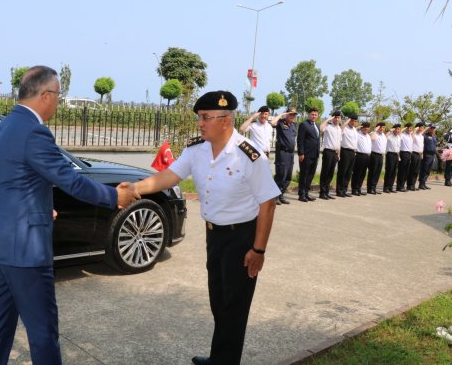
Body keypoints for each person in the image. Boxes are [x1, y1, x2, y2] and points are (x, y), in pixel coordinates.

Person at [0, 66, 139, 365]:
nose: (59, 102)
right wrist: (115, 196)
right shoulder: (34, 132)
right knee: (43, 330)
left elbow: (9, 182)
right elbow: (70, 180)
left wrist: (38, 204)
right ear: (46, 95)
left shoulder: (3, 126)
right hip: (24, 247)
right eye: (59, 95)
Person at [133, 90, 279, 365]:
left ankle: (224, 361)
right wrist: (134, 188)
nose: (200, 123)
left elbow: (268, 203)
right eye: (199, 117)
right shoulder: (196, 150)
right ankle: (220, 357)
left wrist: (258, 249)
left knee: (234, 308)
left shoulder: (249, 155)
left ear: (225, 120)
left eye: (205, 118)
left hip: (243, 238)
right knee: (219, 302)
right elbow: (168, 176)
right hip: (214, 235)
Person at [271, 107, 298, 204]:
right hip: (282, 153)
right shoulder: (281, 122)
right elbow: (273, 123)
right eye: (290, 114)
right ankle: (274, 197)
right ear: (286, 114)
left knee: (288, 176)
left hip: (290, 153)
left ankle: (281, 194)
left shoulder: (293, 125)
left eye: (294, 115)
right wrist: (281, 115)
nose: (292, 116)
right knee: (281, 175)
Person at [296, 107, 320, 202]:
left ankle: (306, 192)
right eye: (312, 114)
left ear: (318, 116)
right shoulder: (304, 125)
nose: (314, 116)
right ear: (308, 115)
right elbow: (300, 140)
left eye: (315, 115)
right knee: (304, 174)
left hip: (315, 155)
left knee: (311, 174)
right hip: (306, 155)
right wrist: (301, 153)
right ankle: (301, 194)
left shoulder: (317, 126)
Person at [318, 110, 342, 200]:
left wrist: (339, 154)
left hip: (335, 153)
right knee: (325, 172)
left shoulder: (339, 128)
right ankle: (322, 192)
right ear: (333, 118)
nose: (337, 119)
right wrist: (328, 119)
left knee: (331, 173)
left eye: (338, 117)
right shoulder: (328, 126)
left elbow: (339, 142)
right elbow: (320, 128)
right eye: (335, 117)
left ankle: (327, 192)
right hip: (328, 151)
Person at [336, 114, 358, 197]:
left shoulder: (355, 130)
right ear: (349, 120)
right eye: (352, 121)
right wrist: (347, 121)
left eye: (355, 121)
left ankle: (344, 190)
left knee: (349, 172)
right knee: (342, 171)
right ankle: (339, 190)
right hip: (345, 151)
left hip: (353, 152)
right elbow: (340, 128)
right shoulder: (345, 128)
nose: (354, 122)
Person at [350, 122, 372, 196]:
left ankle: (359, 188)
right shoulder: (357, 134)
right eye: (364, 127)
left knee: (363, 173)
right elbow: (352, 131)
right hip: (359, 155)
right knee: (357, 173)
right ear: (361, 127)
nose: (366, 128)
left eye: (367, 127)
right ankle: (354, 189)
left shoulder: (368, 136)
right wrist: (358, 127)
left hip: (367, 156)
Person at [366, 122, 386, 194]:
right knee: (373, 172)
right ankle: (370, 188)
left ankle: (374, 187)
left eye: (384, 127)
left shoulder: (383, 135)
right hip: (374, 155)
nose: (382, 129)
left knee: (378, 172)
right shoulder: (373, 133)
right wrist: (375, 130)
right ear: (378, 127)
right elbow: (372, 138)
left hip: (381, 156)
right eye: (381, 127)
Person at [383, 123, 402, 193]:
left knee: (394, 171)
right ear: (394, 129)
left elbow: (398, 147)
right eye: (396, 129)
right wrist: (390, 130)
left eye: (399, 129)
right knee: (389, 171)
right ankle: (386, 187)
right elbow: (385, 136)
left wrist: (399, 156)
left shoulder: (399, 137)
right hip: (390, 154)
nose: (398, 130)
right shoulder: (390, 136)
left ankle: (390, 187)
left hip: (396, 155)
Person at [407, 123, 425, 191]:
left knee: (416, 171)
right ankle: (409, 185)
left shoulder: (421, 136)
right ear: (417, 128)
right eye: (420, 128)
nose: (421, 129)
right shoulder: (412, 134)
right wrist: (415, 130)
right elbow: (412, 138)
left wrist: (422, 154)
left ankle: (413, 185)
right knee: (412, 170)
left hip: (419, 154)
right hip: (414, 153)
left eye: (422, 128)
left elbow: (422, 145)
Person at [419, 124, 438, 189]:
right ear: (428, 129)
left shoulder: (434, 137)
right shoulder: (424, 136)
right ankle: (421, 184)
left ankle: (424, 183)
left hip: (432, 155)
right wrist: (425, 129)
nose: (433, 129)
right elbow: (419, 135)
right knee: (424, 169)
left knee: (428, 170)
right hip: (426, 154)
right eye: (431, 128)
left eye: (434, 128)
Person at [396, 123, 413, 192]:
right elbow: (399, 134)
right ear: (406, 128)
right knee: (402, 171)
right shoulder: (402, 135)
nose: (409, 129)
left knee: (406, 171)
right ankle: (399, 186)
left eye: (411, 128)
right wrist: (403, 129)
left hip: (409, 154)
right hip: (403, 153)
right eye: (408, 128)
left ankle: (403, 185)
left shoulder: (410, 135)